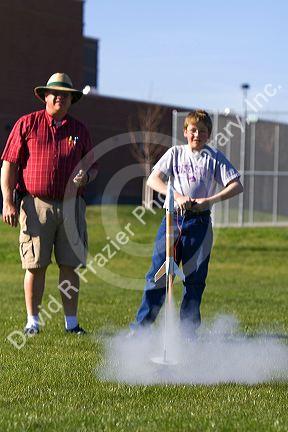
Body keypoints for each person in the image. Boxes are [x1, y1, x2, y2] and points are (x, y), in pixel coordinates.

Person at [1, 72, 98, 335]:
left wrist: (86, 176)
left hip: (71, 206)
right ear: (45, 96)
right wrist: (7, 202)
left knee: (70, 265)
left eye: (65, 95)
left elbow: (94, 168)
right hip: (36, 205)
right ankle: (32, 322)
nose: (60, 98)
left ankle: (72, 324)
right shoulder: (27, 124)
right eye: (55, 93)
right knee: (35, 265)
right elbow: (9, 164)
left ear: (71, 100)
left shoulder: (79, 130)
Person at [131, 110, 243, 337]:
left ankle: (187, 335)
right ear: (185, 132)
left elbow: (236, 185)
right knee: (159, 275)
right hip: (172, 220)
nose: (197, 135)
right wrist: (175, 196)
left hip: (200, 223)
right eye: (193, 130)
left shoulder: (214, 157)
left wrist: (208, 201)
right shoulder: (175, 153)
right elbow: (154, 179)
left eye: (203, 131)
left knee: (195, 281)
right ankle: (140, 330)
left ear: (209, 135)